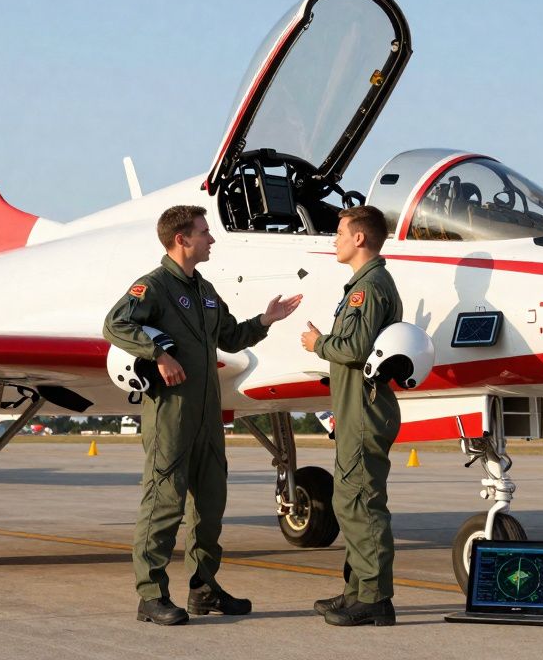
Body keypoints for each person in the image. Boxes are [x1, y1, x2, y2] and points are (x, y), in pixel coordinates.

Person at [104, 205, 301, 626]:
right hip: (171, 416)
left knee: (210, 506)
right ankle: (151, 595)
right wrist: (158, 354)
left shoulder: (205, 290)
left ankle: (204, 588)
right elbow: (115, 324)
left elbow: (229, 335)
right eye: (204, 232)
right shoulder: (153, 287)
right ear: (182, 239)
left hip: (209, 417)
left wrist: (266, 320)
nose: (211, 239)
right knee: (164, 504)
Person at [300, 205, 403, 627]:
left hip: (363, 409)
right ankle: (356, 592)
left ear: (359, 238)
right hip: (354, 409)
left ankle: (375, 599)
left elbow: (354, 348)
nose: (335, 239)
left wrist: (317, 343)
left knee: (361, 503)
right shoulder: (362, 285)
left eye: (341, 232)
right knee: (350, 503)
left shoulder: (369, 287)